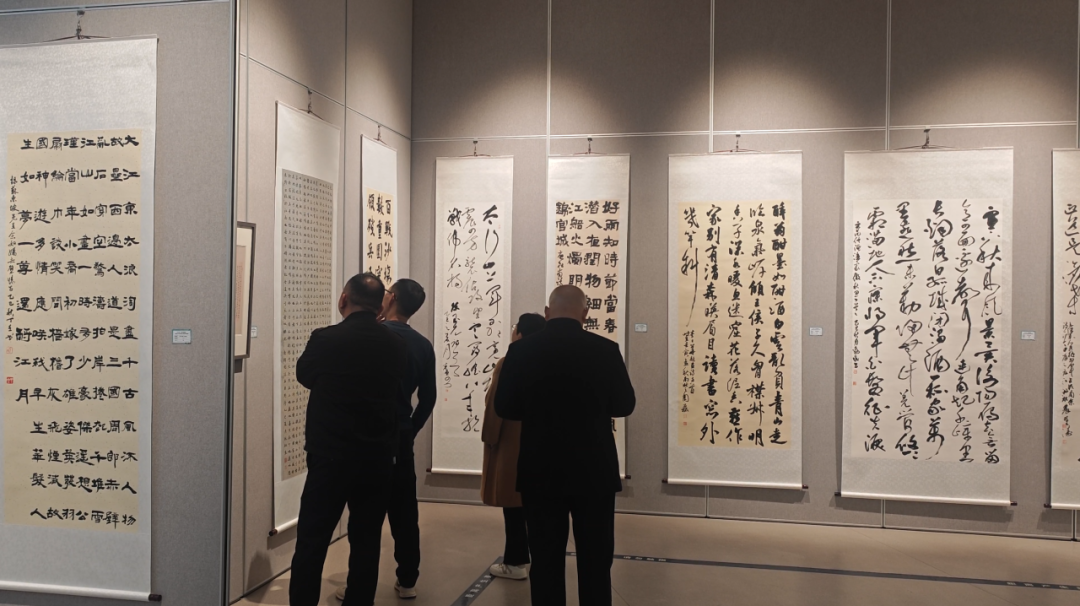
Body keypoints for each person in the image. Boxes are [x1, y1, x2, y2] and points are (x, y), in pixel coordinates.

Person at [494, 285, 636, 606]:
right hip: (594, 470)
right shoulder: (606, 349)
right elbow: (624, 405)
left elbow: (505, 407)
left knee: (545, 561)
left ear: (547, 312)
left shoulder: (521, 351)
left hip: (540, 469)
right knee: (596, 560)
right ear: (585, 314)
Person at [289, 273, 407, 606]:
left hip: (330, 455)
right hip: (377, 457)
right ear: (381, 305)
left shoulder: (326, 339)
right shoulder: (396, 344)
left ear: (343, 299)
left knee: (312, 539)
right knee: (367, 539)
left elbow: (304, 375)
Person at [336, 279, 436, 602]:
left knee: (365, 518)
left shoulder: (376, 337)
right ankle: (407, 579)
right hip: (401, 436)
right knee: (405, 512)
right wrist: (411, 428)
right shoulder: (422, 345)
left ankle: (357, 588)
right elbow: (429, 398)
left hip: (368, 437)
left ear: (390, 299)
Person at [481, 312, 547, 580]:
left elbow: (495, 406)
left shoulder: (509, 361)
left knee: (513, 505)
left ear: (519, 333)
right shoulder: (548, 360)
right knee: (537, 507)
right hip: (542, 444)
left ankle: (515, 562)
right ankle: (539, 560)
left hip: (512, 442)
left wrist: (490, 437)